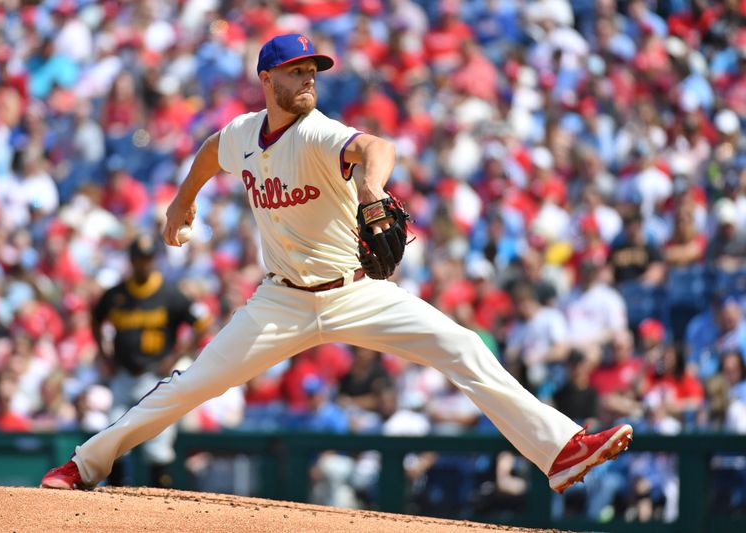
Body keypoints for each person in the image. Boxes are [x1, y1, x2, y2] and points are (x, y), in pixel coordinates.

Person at [41, 33, 632, 495]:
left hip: (355, 291)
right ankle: (85, 464)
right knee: (191, 385)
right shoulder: (245, 133)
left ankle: (561, 451)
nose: (308, 80)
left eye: (313, 71)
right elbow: (208, 153)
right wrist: (180, 202)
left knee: (464, 348)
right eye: (296, 71)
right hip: (280, 301)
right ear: (267, 78)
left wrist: (372, 189)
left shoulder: (320, 134)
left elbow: (377, 146)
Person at [89, 233, 212, 487]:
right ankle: (114, 498)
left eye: (147, 258)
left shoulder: (169, 293)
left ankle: (159, 503)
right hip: (124, 375)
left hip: (155, 376)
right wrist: (103, 353)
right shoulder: (117, 294)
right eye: (138, 258)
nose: (143, 264)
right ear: (131, 260)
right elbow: (95, 317)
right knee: (115, 439)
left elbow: (201, 322)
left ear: (154, 260)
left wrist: (177, 354)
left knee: (158, 442)